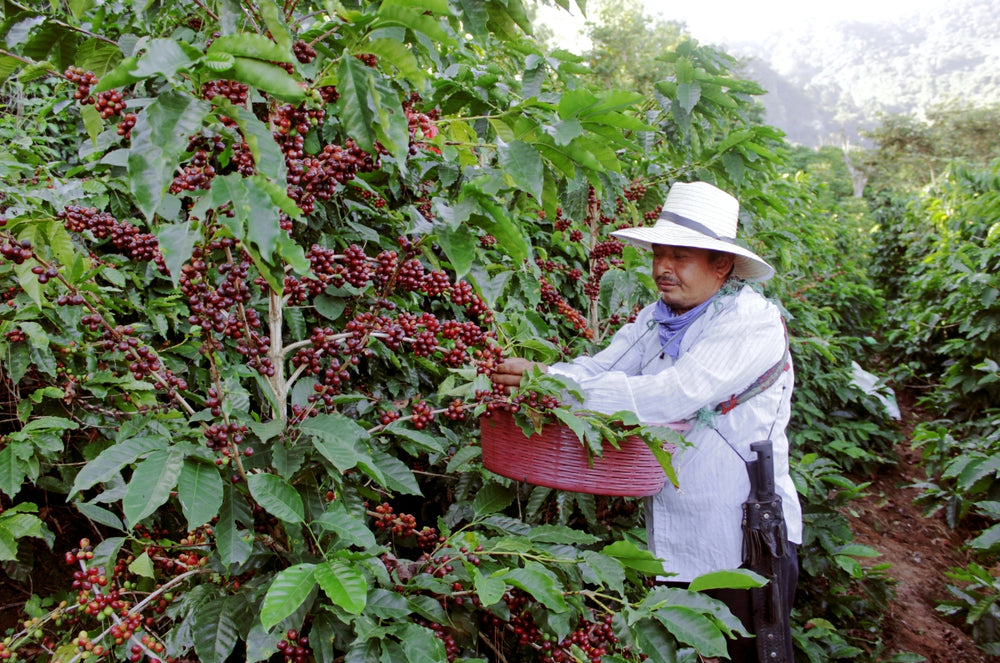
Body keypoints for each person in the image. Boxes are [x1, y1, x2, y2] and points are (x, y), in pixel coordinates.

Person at [491, 181, 802, 662]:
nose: (663, 268)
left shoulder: (749, 321)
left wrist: (556, 386)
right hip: (676, 532)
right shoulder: (655, 319)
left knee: (744, 653)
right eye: (659, 253)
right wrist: (539, 378)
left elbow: (675, 394)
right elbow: (601, 370)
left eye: (680, 256)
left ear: (721, 265)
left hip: (744, 538)